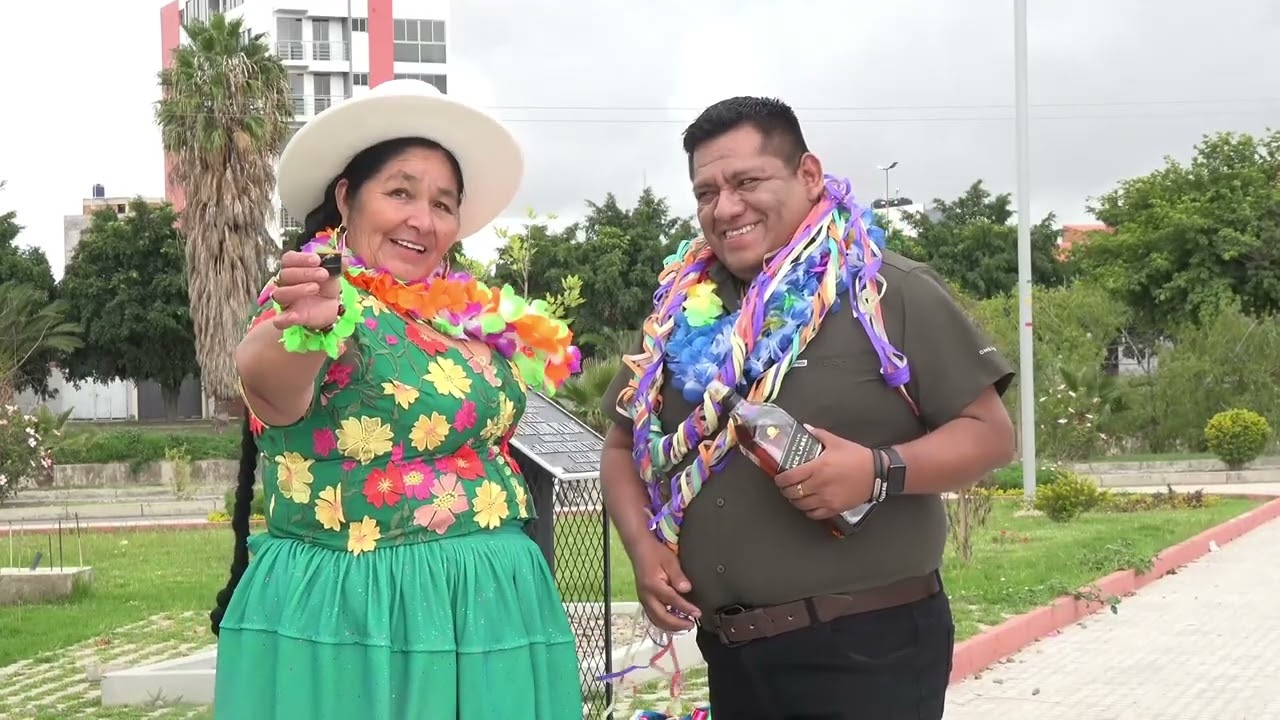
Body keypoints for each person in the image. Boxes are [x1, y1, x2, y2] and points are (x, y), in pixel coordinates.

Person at [599, 96, 1016, 719]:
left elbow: (989, 434)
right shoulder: (678, 315)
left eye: (747, 181)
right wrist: (642, 546)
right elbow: (618, 446)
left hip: (867, 651)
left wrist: (878, 470)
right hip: (732, 654)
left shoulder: (887, 290)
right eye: (706, 192)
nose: (726, 207)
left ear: (809, 175)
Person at [209, 79, 584, 719]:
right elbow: (266, 378)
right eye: (401, 192)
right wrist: (306, 329)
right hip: (373, 614)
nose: (422, 219)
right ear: (347, 198)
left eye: (443, 203)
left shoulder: (458, 316)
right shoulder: (322, 299)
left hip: (491, 605)